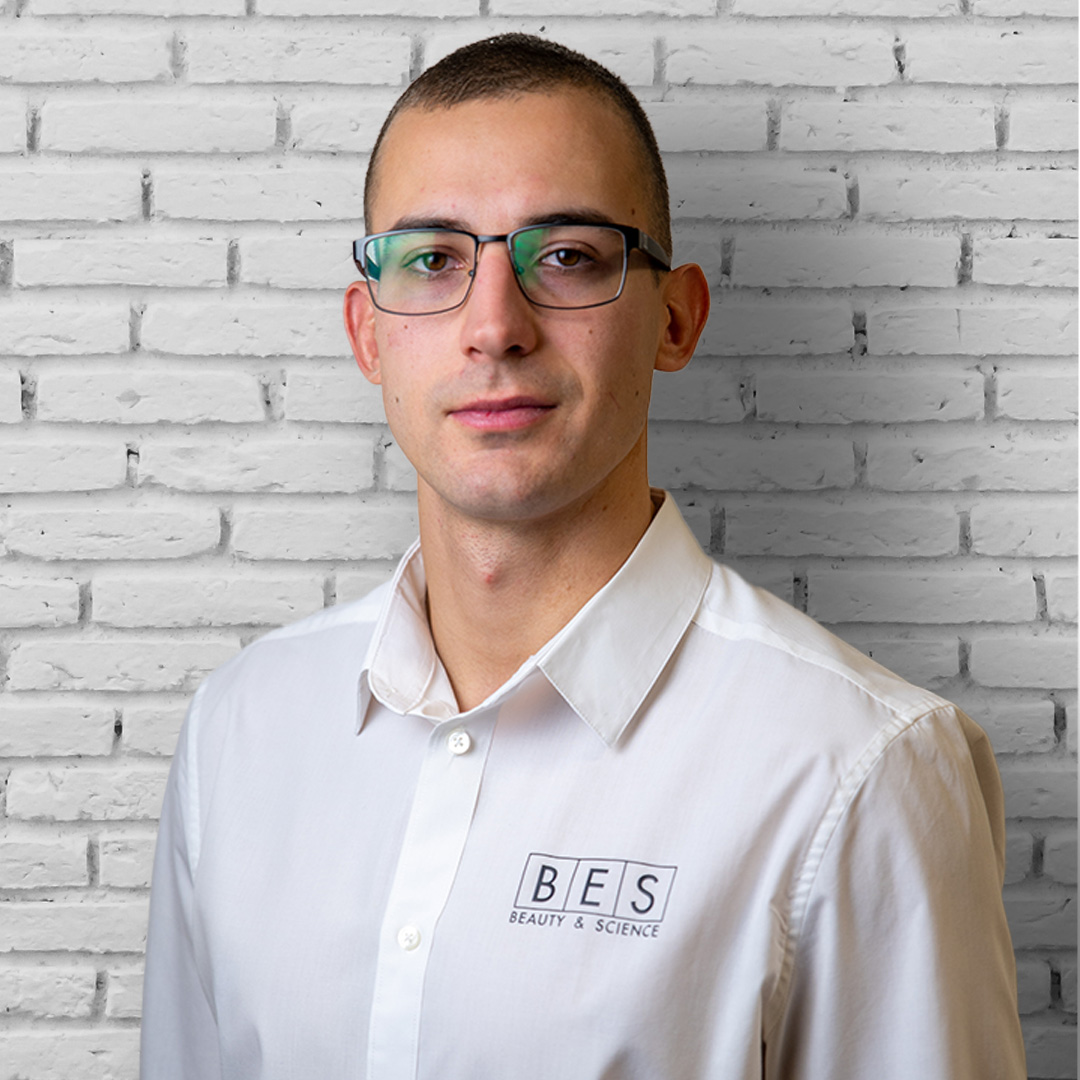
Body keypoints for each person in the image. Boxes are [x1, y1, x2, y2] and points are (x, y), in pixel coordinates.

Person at [141, 33, 1027, 1080]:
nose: (494, 327)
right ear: (368, 332)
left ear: (676, 318)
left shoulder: (855, 767)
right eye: (432, 259)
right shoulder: (241, 731)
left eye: (565, 256)